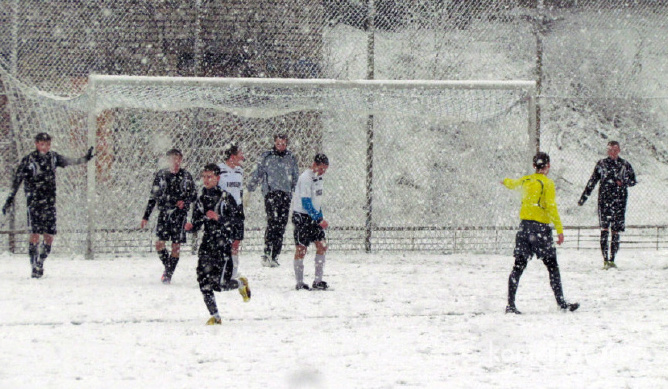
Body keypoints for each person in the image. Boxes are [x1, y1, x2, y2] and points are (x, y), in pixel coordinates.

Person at [2, 133, 94, 278]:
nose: (46, 147)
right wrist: (10, 199)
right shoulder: (29, 160)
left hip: (49, 202)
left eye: (48, 144)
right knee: (34, 234)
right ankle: (34, 266)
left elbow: (68, 161)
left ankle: (40, 261)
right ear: (37, 144)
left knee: (49, 236)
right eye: (43, 144)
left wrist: (84, 159)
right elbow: (17, 180)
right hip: (34, 202)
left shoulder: (53, 158)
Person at [502, 152, 579, 314]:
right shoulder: (547, 184)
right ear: (548, 166)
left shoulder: (526, 180)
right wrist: (559, 229)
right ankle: (561, 302)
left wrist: (504, 181)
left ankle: (510, 304)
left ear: (534, 166)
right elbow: (551, 207)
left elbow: (512, 183)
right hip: (541, 230)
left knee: (518, 266)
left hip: (524, 228)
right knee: (552, 266)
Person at [185, 163, 250, 325]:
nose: (206, 180)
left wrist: (219, 219)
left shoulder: (226, 198)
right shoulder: (200, 200)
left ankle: (240, 283)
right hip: (207, 244)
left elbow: (237, 221)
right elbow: (198, 222)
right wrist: (191, 227)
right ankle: (215, 316)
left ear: (217, 178)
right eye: (204, 176)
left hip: (222, 246)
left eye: (210, 177)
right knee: (203, 281)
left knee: (220, 285)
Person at [578, 141, 636, 270]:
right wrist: (584, 197)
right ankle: (605, 259)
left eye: (615, 150)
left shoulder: (624, 164)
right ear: (607, 151)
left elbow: (633, 181)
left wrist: (624, 182)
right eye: (610, 150)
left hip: (620, 201)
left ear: (619, 150)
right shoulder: (602, 164)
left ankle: (612, 259)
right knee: (604, 229)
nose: (612, 152)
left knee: (616, 230)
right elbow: (592, 181)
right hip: (605, 201)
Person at [141, 148, 196, 284]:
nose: (175, 162)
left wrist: (185, 202)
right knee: (159, 244)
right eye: (172, 159)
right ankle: (169, 267)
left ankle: (168, 275)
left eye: (178, 159)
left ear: (181, 160)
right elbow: (153, 197)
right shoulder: (161, 175)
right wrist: (146, 216)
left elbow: (193, 195)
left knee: (176, 246)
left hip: (179, 215)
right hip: (165, 214)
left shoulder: (186, 176)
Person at [246, 134, 300, 268]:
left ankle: (275, 254)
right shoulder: (267, 157)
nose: (281, 146)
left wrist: (296, 190)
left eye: (283, 144)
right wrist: (250, 187)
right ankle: (267, 252)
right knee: (272, 222)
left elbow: (295, 175)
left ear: (286, 144)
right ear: (274, 143)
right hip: (271, 193)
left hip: (285, 194)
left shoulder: (290, 158)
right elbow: (258, 172)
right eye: (278, 144)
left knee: (281, 224)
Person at [292, 153, 330, 291]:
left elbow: (316, 202)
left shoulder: (319, 178)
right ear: (314, 164)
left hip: (314, 216)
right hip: (302, 216)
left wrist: (320, 216)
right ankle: (300, 282)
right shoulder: (305, 178)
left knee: (321, 245)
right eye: (321, 168)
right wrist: (318, 219)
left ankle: (318, 280)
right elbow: (306, 202)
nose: (323, 172)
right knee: (301, 248)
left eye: (325, 169)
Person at [218, 143, 245, 288]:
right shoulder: (220, 169)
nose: (243, 157)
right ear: (233, 156)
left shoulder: (240, 170)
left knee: (236, 242)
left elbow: (239, 190)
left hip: (237, 210)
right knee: (224, 242)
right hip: (225, 210)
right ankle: (221, 272)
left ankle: (233, 273)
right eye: (240, 153)